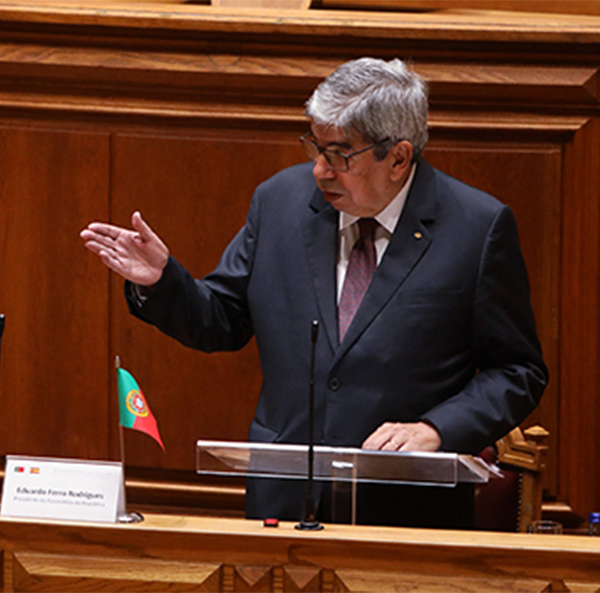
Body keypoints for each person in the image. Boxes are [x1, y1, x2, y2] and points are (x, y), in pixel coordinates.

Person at [81, 57, 547, 529]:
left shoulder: (475, 228)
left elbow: (518, 370)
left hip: (405, 511)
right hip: (284, 503)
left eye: (340, 155)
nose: (320, 170)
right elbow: (220, 320)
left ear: (398, 158)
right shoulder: (279, 202)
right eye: (317, 148)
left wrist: (436, 428)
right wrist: (162, 281)